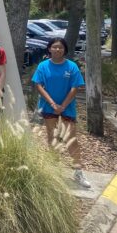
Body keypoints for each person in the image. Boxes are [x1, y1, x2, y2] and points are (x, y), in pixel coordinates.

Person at [32, 38, 90, 188]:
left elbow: (75, 87)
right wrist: (52, 104)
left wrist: (62, 105)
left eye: (60, 48)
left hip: (67, 108)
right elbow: (38, 85)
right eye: (54, 47)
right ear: (49, 49)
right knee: (52, 137)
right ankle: (53, 170)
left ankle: (78, 172)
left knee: (71, 139)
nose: (57, 50)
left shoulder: (72, 66)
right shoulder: (43, 66)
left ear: (65, 50)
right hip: (48, 107)